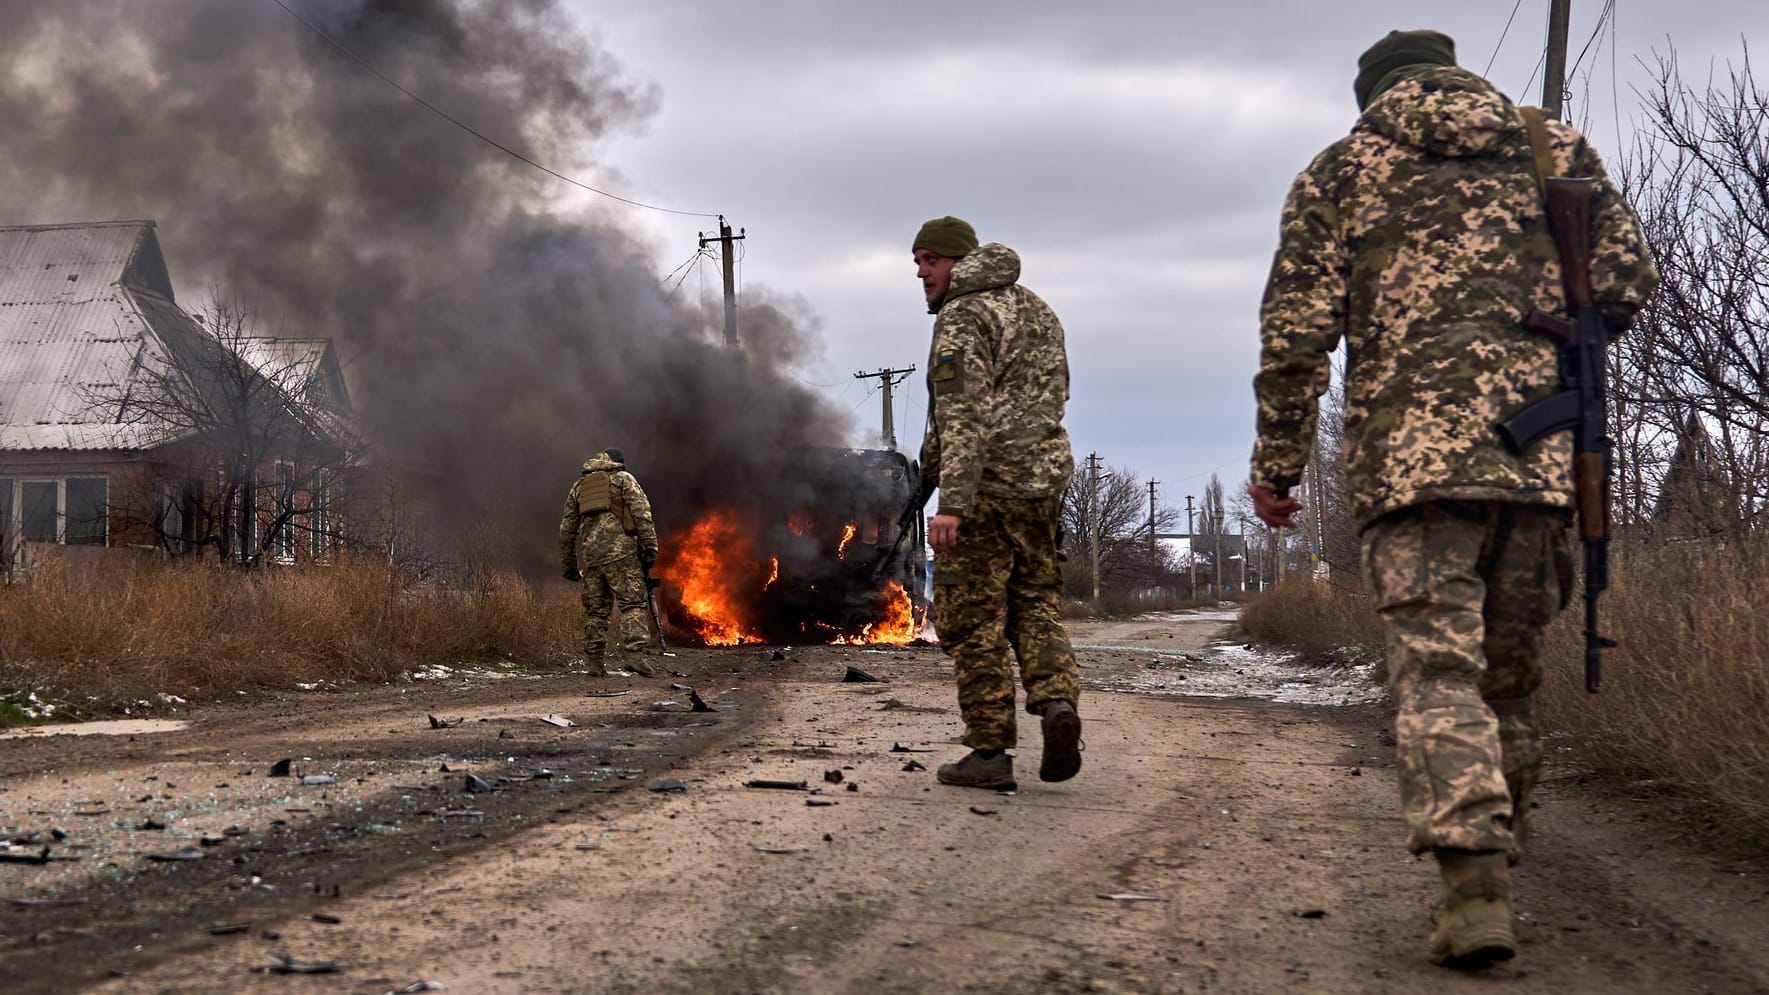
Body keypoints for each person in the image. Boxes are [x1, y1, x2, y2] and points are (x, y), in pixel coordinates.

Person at [1247, 30, 1658, 970]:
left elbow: (1295, 336)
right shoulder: (1553, 149)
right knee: (1507, 682)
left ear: (1372, 95)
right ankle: (1496, 857)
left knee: (1437, 673)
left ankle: (1473, 884)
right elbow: (1629, 285)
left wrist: (1275, 465)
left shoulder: (1341, 169)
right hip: (1545, 465)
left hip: (1411, 473)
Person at [913, 215, 1083, 792]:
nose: (921, 271)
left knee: (972, 620)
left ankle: (989, 753)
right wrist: (925, 471)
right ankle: (1057, 701)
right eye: (917, 261)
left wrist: (950, 502)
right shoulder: (1036, 309)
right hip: (1041, 488)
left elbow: (963, 417)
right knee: (1035, 602)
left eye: (930, 260)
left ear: (959, 261)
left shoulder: (965, 315)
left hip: (984, 491)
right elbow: (1051, 396)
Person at [558, 447, 662, 677]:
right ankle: (635, 657)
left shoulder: (579, 487)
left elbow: (567, 529)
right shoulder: (624, 480)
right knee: (633, 604)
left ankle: (595, 663)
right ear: (617, 463)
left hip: (592, 558)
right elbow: (642, 514)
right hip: (622, 554)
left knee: (596, 612)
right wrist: (651, 546)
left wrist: (569, 565)